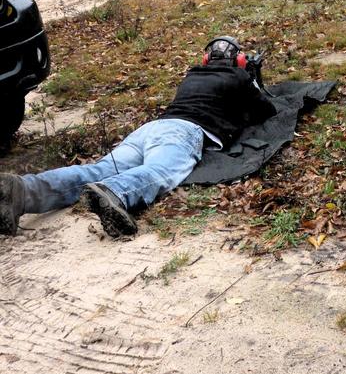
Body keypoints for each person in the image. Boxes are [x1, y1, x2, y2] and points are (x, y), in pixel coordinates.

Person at [0, 37, 276, 239]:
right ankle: (117, 192)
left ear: (206, 59)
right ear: (238, 60)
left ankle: (24, 191)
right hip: (184, 132)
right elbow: (266, 110)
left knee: (99, 169)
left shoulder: (192, 75)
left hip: (150, 129)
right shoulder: (237, 78)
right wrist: (250, 79)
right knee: (160, 171)